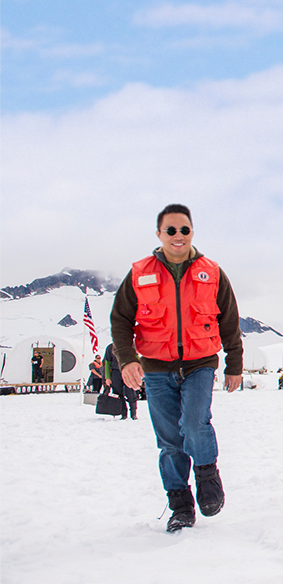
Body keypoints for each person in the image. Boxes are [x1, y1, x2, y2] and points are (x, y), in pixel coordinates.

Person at [110, 204, 243, 532]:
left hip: (199, 364)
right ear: (159, 234)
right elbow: (121, 319)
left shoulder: (211, 272)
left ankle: (207, 476)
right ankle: (180, 503)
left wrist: (234, 364)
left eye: (184, 230)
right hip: (156, 368)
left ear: (192, 232)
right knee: (169, 439)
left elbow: (229, 319)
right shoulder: (140, 273)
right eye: (171, 230)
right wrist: (127, 359)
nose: (178, 236)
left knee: (196, 423)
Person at [103, 343, 139, 420]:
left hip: (128, 371)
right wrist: (107, 377)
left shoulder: (131, 346)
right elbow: (107, 363)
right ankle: (123, 413)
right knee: (118, 394)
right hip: (116, 372)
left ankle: (133, 413)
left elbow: (137, 359)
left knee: (131, 393)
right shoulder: (110, 347)